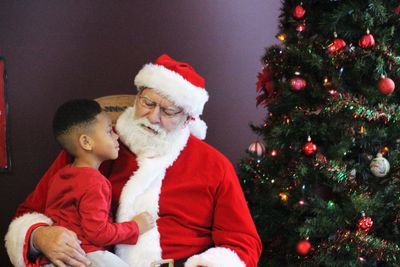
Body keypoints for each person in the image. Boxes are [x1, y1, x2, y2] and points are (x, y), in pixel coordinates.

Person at [5, 54, 262, 267]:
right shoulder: (93, 149)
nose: (152, 117)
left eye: (169, 111)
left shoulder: (214, 165)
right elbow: (29, 212)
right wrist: (39, 236)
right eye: (147, 102)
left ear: (188, 118)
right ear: (137, 96)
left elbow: (243, 242)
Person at [35, 99, 155, 267]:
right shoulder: (95, 182)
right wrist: (135, 226)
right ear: (86, 142)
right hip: (88, 256)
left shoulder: (60, 176)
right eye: (108, 131)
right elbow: (98, 233)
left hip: (55, 259)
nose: (116, 136)